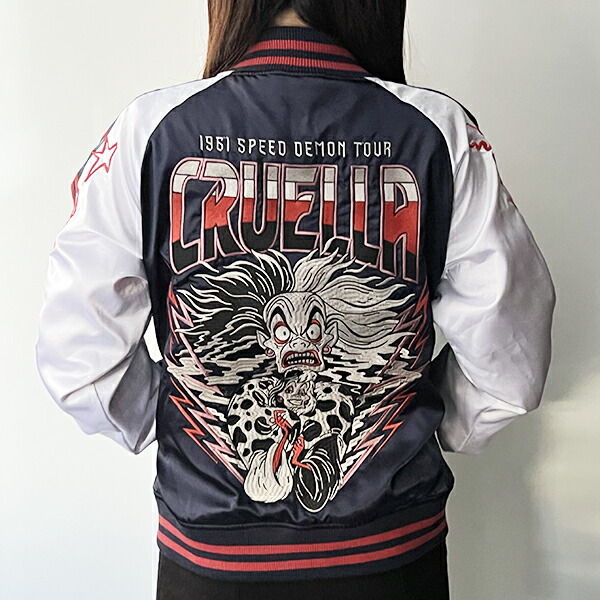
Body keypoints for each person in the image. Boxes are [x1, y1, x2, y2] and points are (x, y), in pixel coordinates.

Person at [35, 1, 556, 598]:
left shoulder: (150, 130)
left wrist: (178, 418)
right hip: (390, 556)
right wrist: (426, 422)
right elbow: (511, 367)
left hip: (210, 560)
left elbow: (79, 361)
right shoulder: (439, 131)